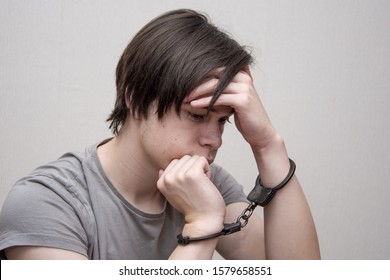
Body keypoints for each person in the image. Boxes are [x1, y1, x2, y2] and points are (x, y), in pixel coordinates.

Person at [0, 9, 320, 260]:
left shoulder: (207, 184)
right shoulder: (46, 202)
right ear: (136, 99)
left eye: (223, 121)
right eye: (197, 115)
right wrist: (202, 223)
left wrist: (267, 145)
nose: (214, 139)